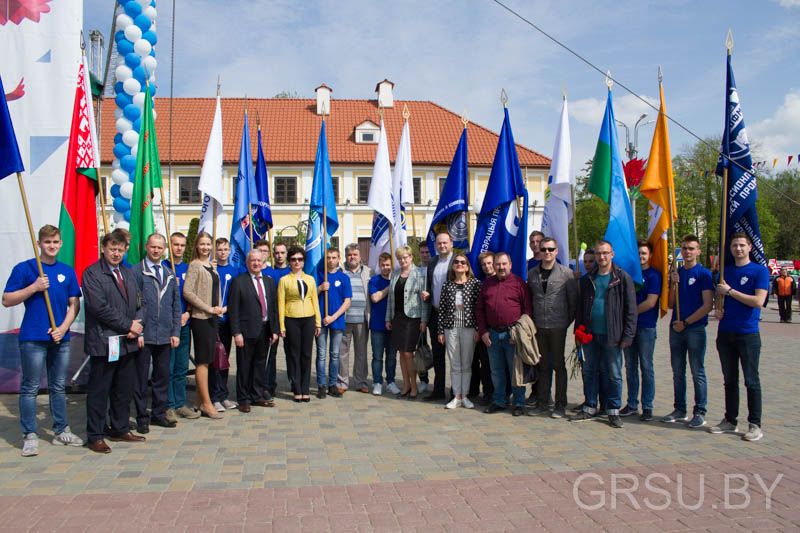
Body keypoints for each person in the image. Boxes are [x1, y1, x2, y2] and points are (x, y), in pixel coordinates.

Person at [3, 225, 83, 456]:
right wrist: (34, 287)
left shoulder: (67, 271)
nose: (52, 246)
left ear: (60, 244)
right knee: (30, 388)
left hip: (60, 338)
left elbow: (74, 304)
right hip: (32, 337)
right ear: (39, 244)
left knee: (58, 386)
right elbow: (7, 299)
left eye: (56, 242)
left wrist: (63, 328)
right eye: (47, 242)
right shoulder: (26, 268)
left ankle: (61, 430)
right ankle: (29, 434)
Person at [82, 231, 146, 453]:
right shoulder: (92, 274)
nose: (116, 253)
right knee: (100, 390)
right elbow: (99, 308)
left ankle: (119, 428)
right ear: (103, 248)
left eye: (120, 249)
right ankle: (95, 435)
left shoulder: (128, 274)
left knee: (123, 389)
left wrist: (137, 325)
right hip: (104, 343)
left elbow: (141, 302)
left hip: (127, 343)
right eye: (112, 249)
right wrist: (128, 325)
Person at [709, 233, 770, 442]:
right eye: (735, 245)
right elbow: (718, 295)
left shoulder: (760, 271)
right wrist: (718, 307)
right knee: (729, 380)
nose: (738, 249)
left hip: (748, 334)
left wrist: (731, 291)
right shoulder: (725, 271)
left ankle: (755, 424)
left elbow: (758, 301)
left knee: (751, 380)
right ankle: (730, 420)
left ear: (750, 247)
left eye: (742, 245)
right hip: (726, 333)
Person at [570, 240, 637, 428]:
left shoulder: (622, 278)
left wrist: (628, 335)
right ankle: (589, 406)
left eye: (605, 253)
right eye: (599, 254)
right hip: (590, 335)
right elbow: (580, 308)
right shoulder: (588, 279)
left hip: (613, 335)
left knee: (614, 374)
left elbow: (631, 310)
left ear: (612, 254)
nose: (602, 257)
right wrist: (578, 331)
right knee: (590, 371)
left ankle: (613, 409)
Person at [131, 233, 181, 433]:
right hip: (144, 335)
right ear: (146, 246)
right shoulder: (136, 272)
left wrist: (175, 331)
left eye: (160, 248)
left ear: (164, 250)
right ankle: (142, 415)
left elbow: (175, 306)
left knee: (162, 376)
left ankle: (158, 414)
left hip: (165, 335)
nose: (156, 251)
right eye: (153, 247)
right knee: (141, 378)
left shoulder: (169, 273)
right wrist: (138, 331)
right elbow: (133, 304)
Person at [663, 235, 713, 428]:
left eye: (691, 248)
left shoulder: (704, 274)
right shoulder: (678, 273)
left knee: (697, 371)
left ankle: (700, 411)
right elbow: (670, 303)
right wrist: (673, 284)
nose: (687, 252)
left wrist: (686, 322)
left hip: (694, 328)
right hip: (676, 328)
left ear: (698, 251)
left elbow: (707, 305)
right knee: (677, 371)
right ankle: (679, 409)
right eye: (684, 248)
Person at [526, 237, 577, 419]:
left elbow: (573, 302)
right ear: (539, 251)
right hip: (539, 326)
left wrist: (564, 322)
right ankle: (542, 402)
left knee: (558, 365)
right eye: (544, 249)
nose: (547, 252)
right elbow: (530, 300)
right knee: (543, 366)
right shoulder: (532, 273)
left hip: (558, 326)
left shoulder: (566, 273)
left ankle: (560, 404)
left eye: (551, 249)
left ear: (556, 251)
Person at [477, 252, 532, 417]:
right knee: (496, 371)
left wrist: (521, 332)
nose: (501, 267)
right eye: (498, 264)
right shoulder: (487, 284)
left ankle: (519, 402)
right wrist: (483, 331)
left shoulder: (519, 283)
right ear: (494, 266)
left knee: (516, 371)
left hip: (513, 335)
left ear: (510, 265)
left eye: (504, 264)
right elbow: (479, 309)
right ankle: (499, 400)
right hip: (492, 335)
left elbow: (527, 310)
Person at [228, 250, 279, 412]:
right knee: (244, 366)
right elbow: (233, 310)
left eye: (259, 260)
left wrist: (274, 330)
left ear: (263, 262)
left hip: (265, 330)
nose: (256, 263)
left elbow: (273, 308)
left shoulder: (269, 282)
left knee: (259, 365)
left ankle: (256, 396)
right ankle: (243, 399)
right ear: (247, 263)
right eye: (253, 261)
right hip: (246, 331)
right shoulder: (239, 282)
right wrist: (236, 333)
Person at [182, 232, 225, 419]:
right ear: (197, 246)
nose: (206, 247)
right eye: (203, 244)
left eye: (209, 244)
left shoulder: (211, 266)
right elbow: (188, 292)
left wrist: (220, 307)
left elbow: (216, 289)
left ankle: (199, 401)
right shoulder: (195, 266)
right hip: (201, 318)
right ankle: (207, 404)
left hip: (213, 317)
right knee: (202, 361)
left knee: (208, 360)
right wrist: (208, 308)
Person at [620, 241, 662, 422]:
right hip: (629, 328)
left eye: (644, 253)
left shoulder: (654, 275)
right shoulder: (628, 275)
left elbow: (651, 302)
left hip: (645, 327)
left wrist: (631, 312)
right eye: (638, 253)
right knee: (630, 367)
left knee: (646, 366)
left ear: (650, 255)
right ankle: (631, 404)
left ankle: (647, 406)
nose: (641, 256)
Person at [437, 254, 481, 409]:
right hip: (451, 328)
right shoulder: (447, 285)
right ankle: (456, 396)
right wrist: (440, 331)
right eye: (456, 262)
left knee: (467, 364)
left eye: (463, 262)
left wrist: (478, 329)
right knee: (455, 364)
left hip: (469, 329)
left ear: (468, 266)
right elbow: (442, 310)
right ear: (453, 266)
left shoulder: (475, 284)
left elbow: (479, 309)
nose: (459, 264)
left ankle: (465, 395)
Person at [277, 246, 321, 402]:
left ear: (303, 262)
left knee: (307, 354)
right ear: (289, 262)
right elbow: (281, 304)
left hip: (308, 318)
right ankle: (296, 388)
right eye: (294, 259)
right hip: (291, 319)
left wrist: (318, 322)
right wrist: (282, 326)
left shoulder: (310, 279)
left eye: (300, 259)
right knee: (294, 354)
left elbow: (314, 300)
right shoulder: (284, 280)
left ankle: (305, 388)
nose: (297, 262)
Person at [163, 232, 198, 421]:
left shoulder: (188, 268)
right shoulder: (163, 267)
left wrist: (188, 313)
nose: (179, 248)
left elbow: (193, 294)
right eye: (175, 244)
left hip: (184, 322)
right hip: (168, 324)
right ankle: (168, 405)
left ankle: (179, 402)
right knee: (168, 366)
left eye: (182, 245)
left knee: (181, 366)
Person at [386, 246, 429, 400]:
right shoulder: (395, 274)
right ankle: (405, 385)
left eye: (405, 257)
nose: (403, 260)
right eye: (400, 258)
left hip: (413, 318)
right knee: (401, 354)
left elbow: (424, 301)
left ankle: (414, 386)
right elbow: (391, 298)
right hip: (397, 318)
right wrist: (388, 318)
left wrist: (424, 320)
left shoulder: (419, 274)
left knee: (408, 353)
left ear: (411, 257)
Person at [421, 232, 454, 402]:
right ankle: (439, 390)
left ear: (451, 243)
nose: (442, 246)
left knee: (455, 355)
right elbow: (430, 285)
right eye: (439, 243)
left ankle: (457, 392)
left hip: (454, 315)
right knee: (438, 354)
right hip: (435, 312)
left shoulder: (458, 260)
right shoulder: (432, 262)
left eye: (445, 243)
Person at [315, 248, 351, 399]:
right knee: (321, 355)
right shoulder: (319, 275)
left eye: (334, 257)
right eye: (328, 258)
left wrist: (333, 317)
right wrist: (320, 288)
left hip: (336, 321)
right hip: (321, 322)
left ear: (339, 258)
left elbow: (347, 302)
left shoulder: (343, 277)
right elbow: (310, 295)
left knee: (335, 355)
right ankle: (321, 385)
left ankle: (332, 384)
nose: (330, 260)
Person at [210, 238, 241, 412]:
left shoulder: (235, 271)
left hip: (227, 320)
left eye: (225, 249)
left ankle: (223, 394)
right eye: (219, 249)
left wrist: (226, 308)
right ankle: (214, 396)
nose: (222, 252)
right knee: (214, 359)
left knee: (224, 359)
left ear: (230, 251)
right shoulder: (211, 269)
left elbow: (236, 296)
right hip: (213, 321)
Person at [339, 244, 372, 393]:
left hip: (362, 319)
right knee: (342, 352)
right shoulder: (340, 272)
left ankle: (360, 382)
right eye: (349, 255)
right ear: (346, 256)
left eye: (355, 254)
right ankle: (342, 382)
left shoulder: (368, 272)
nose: (352, 257)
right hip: (344, 319)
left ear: (360, 256)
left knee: (361, 352)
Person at [368, 253, 399, 395]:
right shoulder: (374, 280)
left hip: (394, 325)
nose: (386, 268)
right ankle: (377, 382)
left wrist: (394, 282)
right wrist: (389, 286)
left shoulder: (397, 279)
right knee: (377, 356)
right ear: (379, 266)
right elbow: (375, 298)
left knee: (392, 356)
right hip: (377, 324)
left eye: (388, 265)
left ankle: (391, 381)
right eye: (383, 265)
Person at [468, 252, 495, 404]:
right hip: (480, 328)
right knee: (480, 363)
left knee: (492, 365)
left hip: (495, 329)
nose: (487, 267)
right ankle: (481, 392)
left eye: (489, 263)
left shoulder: (500, 280)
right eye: (484, 264)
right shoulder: (479, 283)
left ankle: (494, 393)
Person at [267, 242, 291, 395]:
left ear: (286, 254)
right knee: (272, 353)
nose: (280, 255)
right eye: (277, 252)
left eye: (282, 252)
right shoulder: (269, 272)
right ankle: (270, 385)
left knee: (291, 352)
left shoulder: (292, 271)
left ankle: (294, 382)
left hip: (290, 316)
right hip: (273, 317)